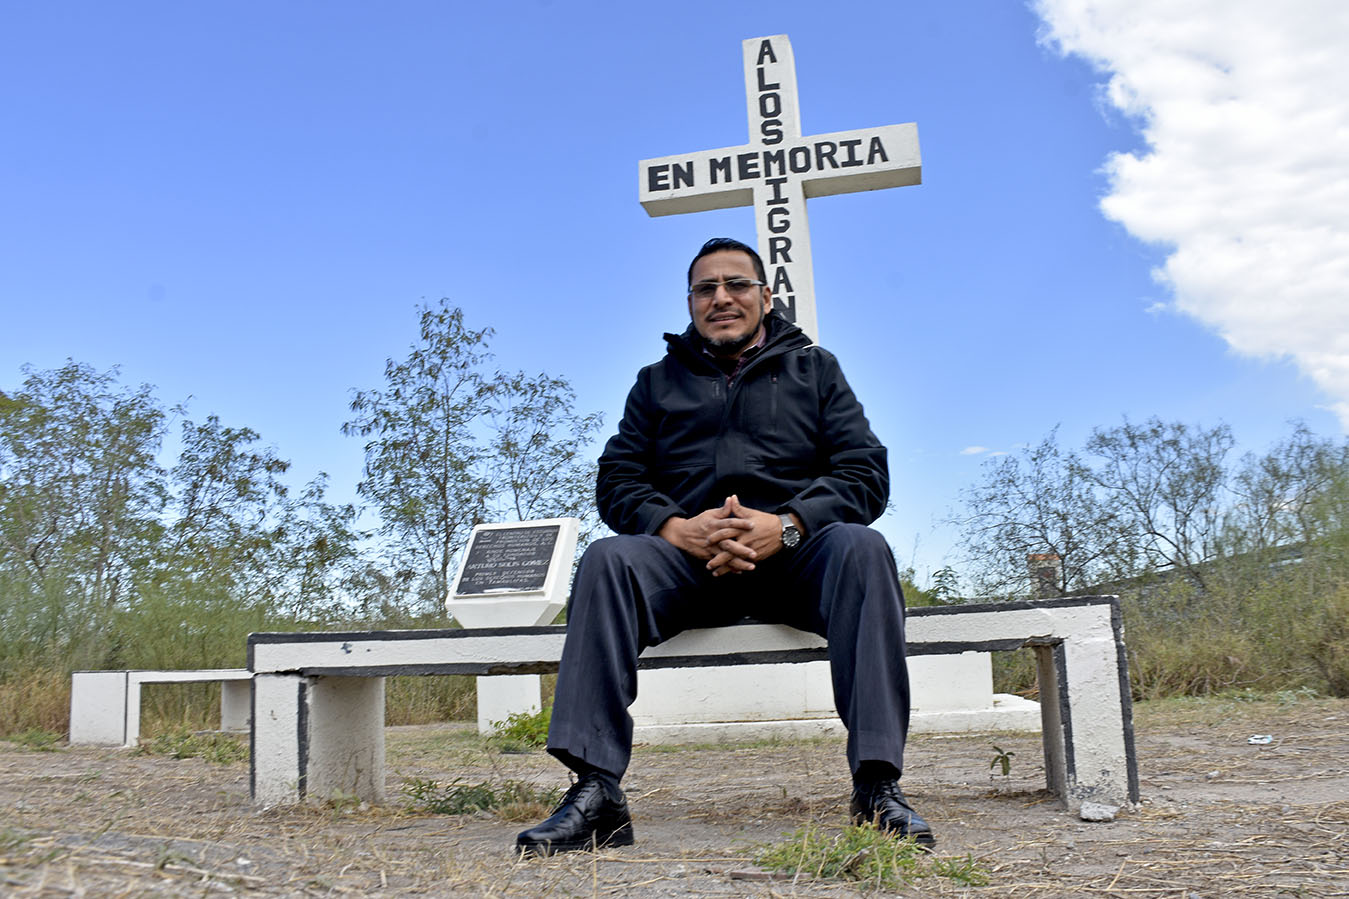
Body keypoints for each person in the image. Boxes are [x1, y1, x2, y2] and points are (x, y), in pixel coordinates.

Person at [515, 237, 933, 857]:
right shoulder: (656, 383)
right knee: (607, 559)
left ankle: (876, 785)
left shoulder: (815, 370)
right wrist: (673, 527)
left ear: (766, 296)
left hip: (796, 561)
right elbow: (619, 479)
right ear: (690, 303)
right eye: (705, 288)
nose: (721, 298)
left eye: (736, 284)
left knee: (862, 547)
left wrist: (787, 524)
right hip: (687, 566)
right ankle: (597, 790)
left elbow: (864, 473)